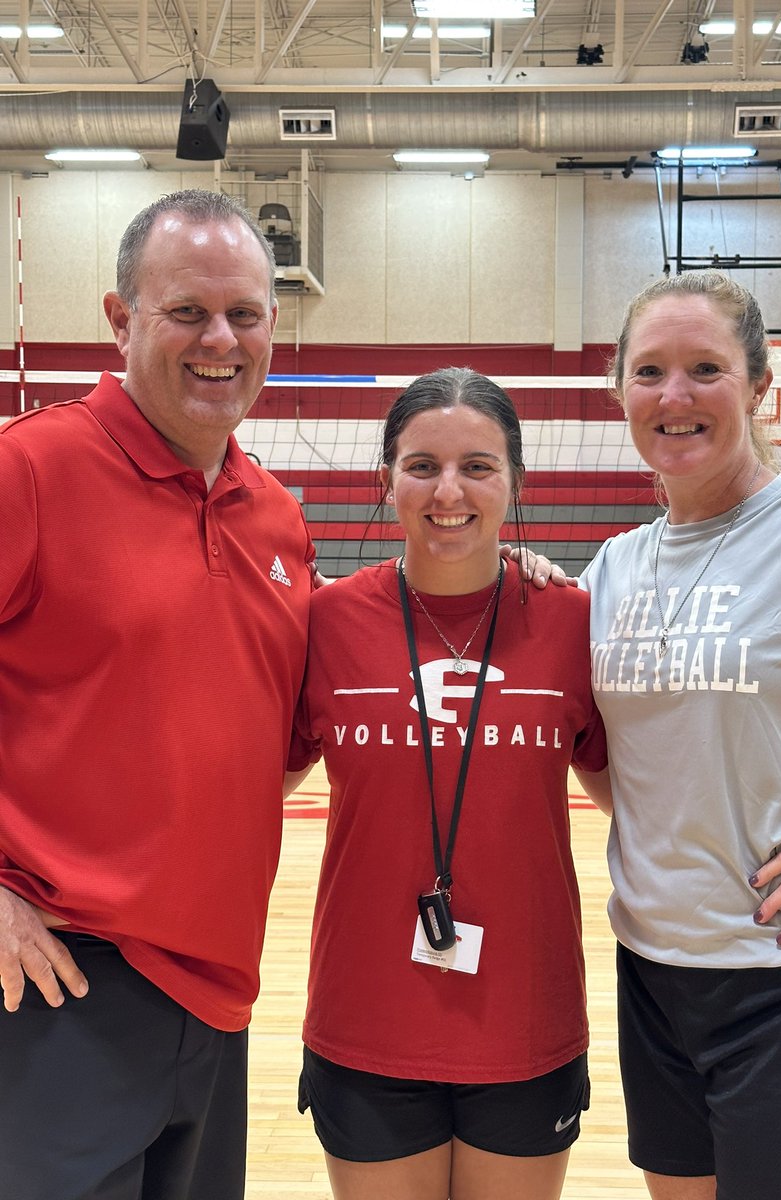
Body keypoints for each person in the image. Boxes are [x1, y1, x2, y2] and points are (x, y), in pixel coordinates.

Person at [0, 189, 315, 1200]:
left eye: (244, 313)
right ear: (119, 317)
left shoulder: (276, 518)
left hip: (219, 1000)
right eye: (186, 311)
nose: (220, 339)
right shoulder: (30, 473)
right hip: (60, 990)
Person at [577, 269, 781, 1200]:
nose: (674, 397)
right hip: (654, 976)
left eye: (705, 369)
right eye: (649, 372)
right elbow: (632, 758)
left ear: (762, 388)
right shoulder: (613, 568)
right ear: (619, 391)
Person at [286, 367, 610, 1200]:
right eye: (422, 465)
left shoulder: (573, 620)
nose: (449, 490)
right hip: (366, 1019)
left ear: (516, 481)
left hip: (525, 1022)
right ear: (385, 477)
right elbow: (244, 786)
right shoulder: (323, 623)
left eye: (478, 465)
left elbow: (636, 797)